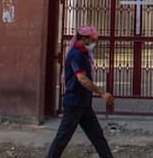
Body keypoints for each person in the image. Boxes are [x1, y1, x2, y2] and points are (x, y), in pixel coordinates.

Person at [46, 25, 115, 158]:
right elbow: (82, 79)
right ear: (84, 38)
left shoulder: (83, 53)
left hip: (83, 104)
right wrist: (102, 93)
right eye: (93, 40)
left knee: (97, 136)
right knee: (62, 138)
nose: (94, 43)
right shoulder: (76, 54)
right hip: (74, 103)